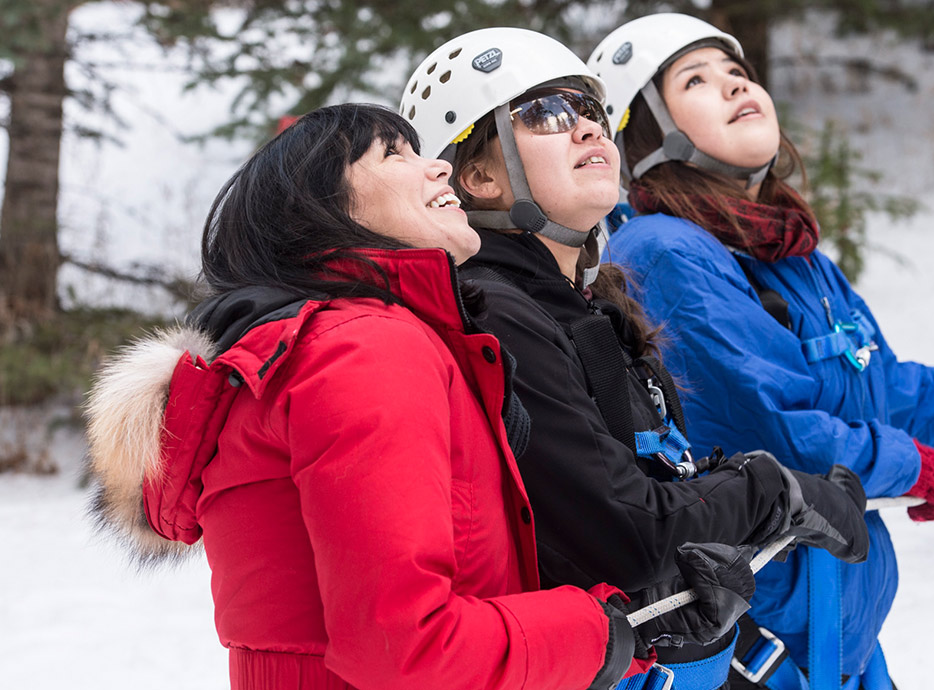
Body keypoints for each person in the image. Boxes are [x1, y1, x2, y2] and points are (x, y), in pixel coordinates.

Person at [82, 103, 764, 690]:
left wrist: (633, 617)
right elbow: (407, 645)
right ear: (325, 211)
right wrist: (616, 631)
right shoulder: (364, 352)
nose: (437, 166)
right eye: (396, 153)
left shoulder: (311, 355)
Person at [588, 13, 934, 690]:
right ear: (648, 133)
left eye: (738, 73)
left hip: (834, 629)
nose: (735, 87)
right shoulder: (663, 253)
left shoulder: (790, 256)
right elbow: (770, 432)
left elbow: (887, 390)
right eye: (696, 79)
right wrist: (906, 464)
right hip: (749, 639)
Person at [400, 28, 872, 690]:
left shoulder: (584, 311)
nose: (586, 128)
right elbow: (626, 532)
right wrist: (776, 492)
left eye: (590, 111)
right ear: (478, 176)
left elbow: (639, 492)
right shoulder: (498, 318)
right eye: (547, 114)